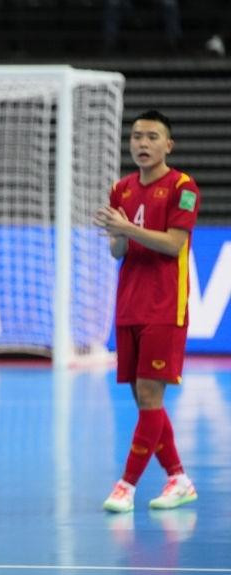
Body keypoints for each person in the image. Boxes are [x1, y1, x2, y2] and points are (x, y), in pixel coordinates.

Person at [95, 110, 201, 514]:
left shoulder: (182, 187)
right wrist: (116, 232)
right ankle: (179, 479)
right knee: (145, 401)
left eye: (152, 137)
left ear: (167, 145)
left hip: (164, 306)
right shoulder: (120, 189)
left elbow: (174, 244)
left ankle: (126, 485)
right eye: (137, 136)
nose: (142, 143)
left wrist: (128, 229)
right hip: (129, 305)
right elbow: (117, 251)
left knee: (150, 395)